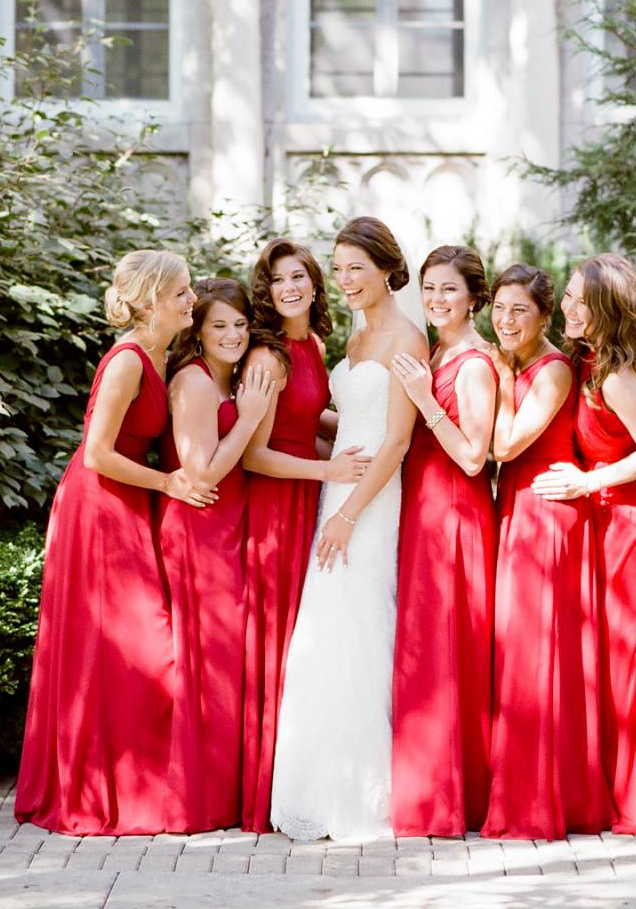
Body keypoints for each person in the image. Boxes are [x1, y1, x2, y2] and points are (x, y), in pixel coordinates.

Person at [15, 250, 215, 836]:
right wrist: (169, 483)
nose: (191, 301)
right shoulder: (129, 359)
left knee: (129, 647)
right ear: (152, 298)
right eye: (181, 292)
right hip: (99, 505)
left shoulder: (161, 355)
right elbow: (97, 453)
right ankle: (106, 789)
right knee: (137, 646)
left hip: (125, 503)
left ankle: (132, 784)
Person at [270, 216, 428, 843]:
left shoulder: (405, 337)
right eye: (337, 269)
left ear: (388, 268)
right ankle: (319, 782)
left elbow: (395, 441)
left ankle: (364, 793)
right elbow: (356, 421)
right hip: (341, 484)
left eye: (355, 268)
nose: (345, 280)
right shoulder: (361, 336)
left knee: (360, 624)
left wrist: (347, 513)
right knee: (327, 629)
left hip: (369, 500)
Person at [531, 253, 636, 833]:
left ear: (605, 308)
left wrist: (588, 480)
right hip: (607, 512)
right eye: (567, 296)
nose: (567, 307)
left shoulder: (616, 376)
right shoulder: (586, 360)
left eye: (577, 299)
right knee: (611, 654)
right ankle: (615, 783)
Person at [481, 263, 613, 841]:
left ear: (541, 317)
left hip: (545, 512)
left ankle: (537, 803)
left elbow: (504, 444)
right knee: (521, 655)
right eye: (500, 308)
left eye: (520, 311)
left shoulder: (553, 369)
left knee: (537, 658)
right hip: (518, 509)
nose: (507, 321)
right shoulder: (515, 360)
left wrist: (503, 379)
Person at [241, 238, 368, 834]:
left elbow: (311, 417)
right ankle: (260, 784)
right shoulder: (267, 359)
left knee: (304, 638)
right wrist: (329, 469)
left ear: (314, 285)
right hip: (275, 503)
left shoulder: (313, 345)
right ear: (265, 293)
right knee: (276, 638)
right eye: (276, 281)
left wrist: (377, 424)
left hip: (308, 497)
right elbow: (256, 455)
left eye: (298, 276)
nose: (289, 288)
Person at [157, 278, 273, 833]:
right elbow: (201, 471)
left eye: (240, 324)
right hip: (199, 529)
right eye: (219, 325)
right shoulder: (195, 383)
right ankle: (197, 799)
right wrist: (248, 419)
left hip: (229, 526)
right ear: (198, 332)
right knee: (207, 663)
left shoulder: (233, 380)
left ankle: (224, 792)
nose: (232, 334)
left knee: (226, 663)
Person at [390, 245, 498, 836]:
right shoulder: (435, 350)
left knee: (449, 651)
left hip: (456, 516)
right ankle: (429, 788)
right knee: (425, 652)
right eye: (429, 288)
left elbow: (474, 457)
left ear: (474, 297)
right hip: (424, 511)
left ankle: (456, 798)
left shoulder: (476, 363)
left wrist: (427, 401)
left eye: (448, 289)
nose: (435, 299)